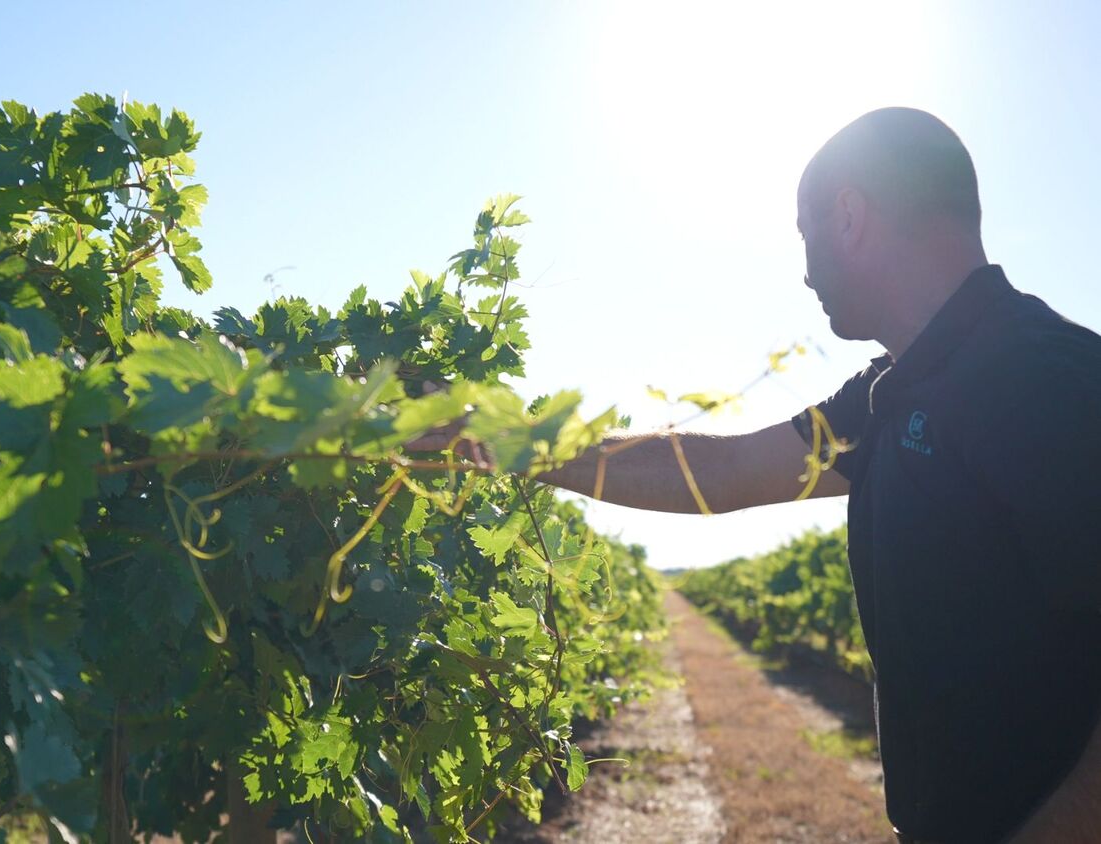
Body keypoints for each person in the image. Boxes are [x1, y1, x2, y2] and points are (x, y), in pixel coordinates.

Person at [420, 108, 1101, 843]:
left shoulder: (1046, 380)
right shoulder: (887, 395)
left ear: (849, 216)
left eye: (804, 232)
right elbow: (724, 471)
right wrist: (509, 444)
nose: (804, 269)